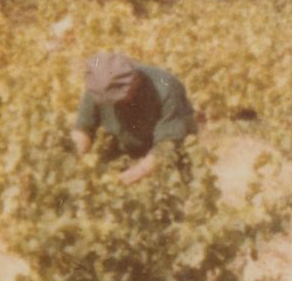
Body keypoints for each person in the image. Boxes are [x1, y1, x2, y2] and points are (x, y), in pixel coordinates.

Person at [72, 50, 200, 188]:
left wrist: (128, 178)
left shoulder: (166, 88)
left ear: (135, 79)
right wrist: (78, 165)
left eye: (124, 94)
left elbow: (167, 146)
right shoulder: (100, 85)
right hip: (123, 154)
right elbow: (82, 129)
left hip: (165, 158)